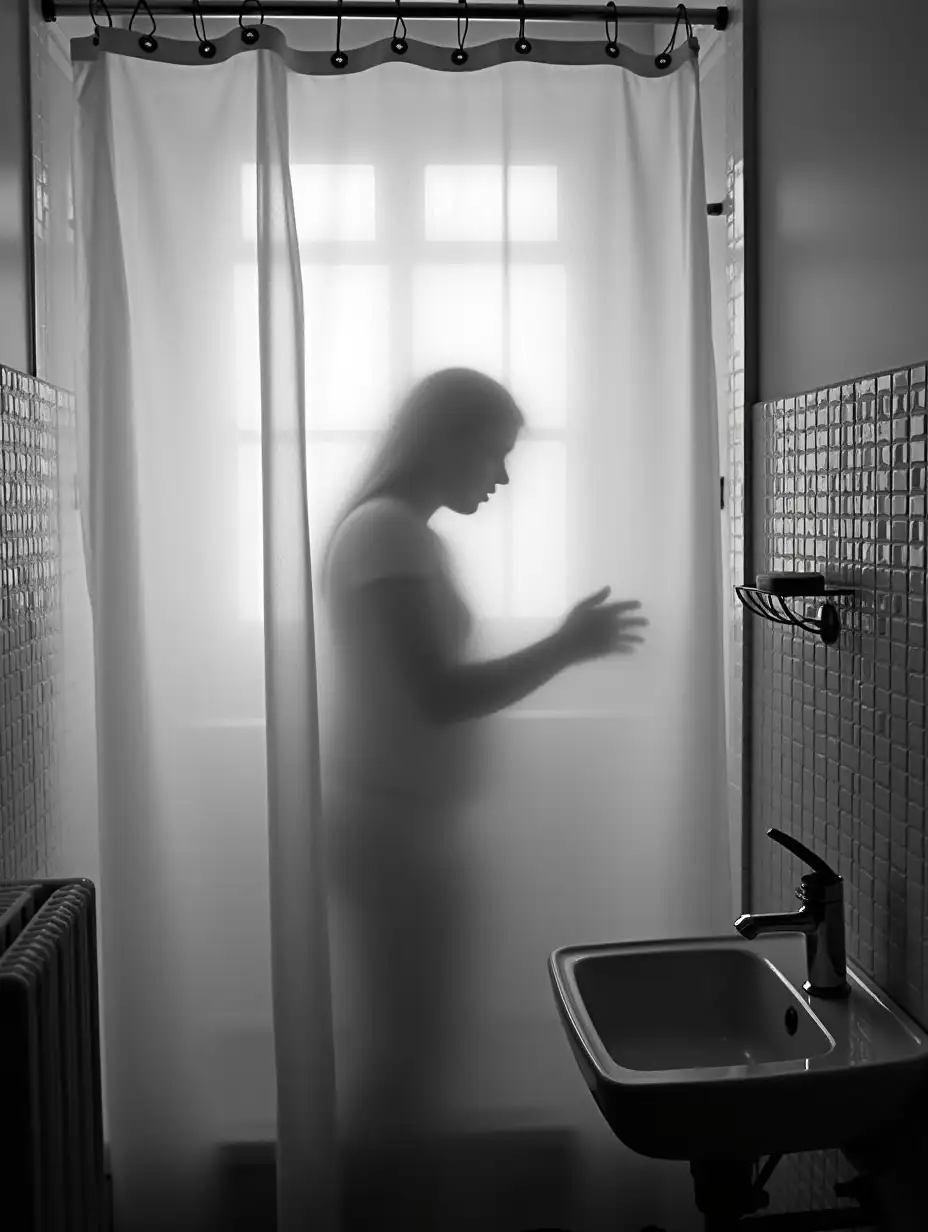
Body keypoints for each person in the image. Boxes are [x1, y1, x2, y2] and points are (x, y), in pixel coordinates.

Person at [319, 367, 647, 1224]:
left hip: (400, 831)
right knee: (405, 1064)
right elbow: (436, 696)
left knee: (410, 1060)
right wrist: (566, 645)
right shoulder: (387, 535)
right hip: (395, 836)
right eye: (495, 454)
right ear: (446, 440)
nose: (501, 478)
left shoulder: (395, 534)